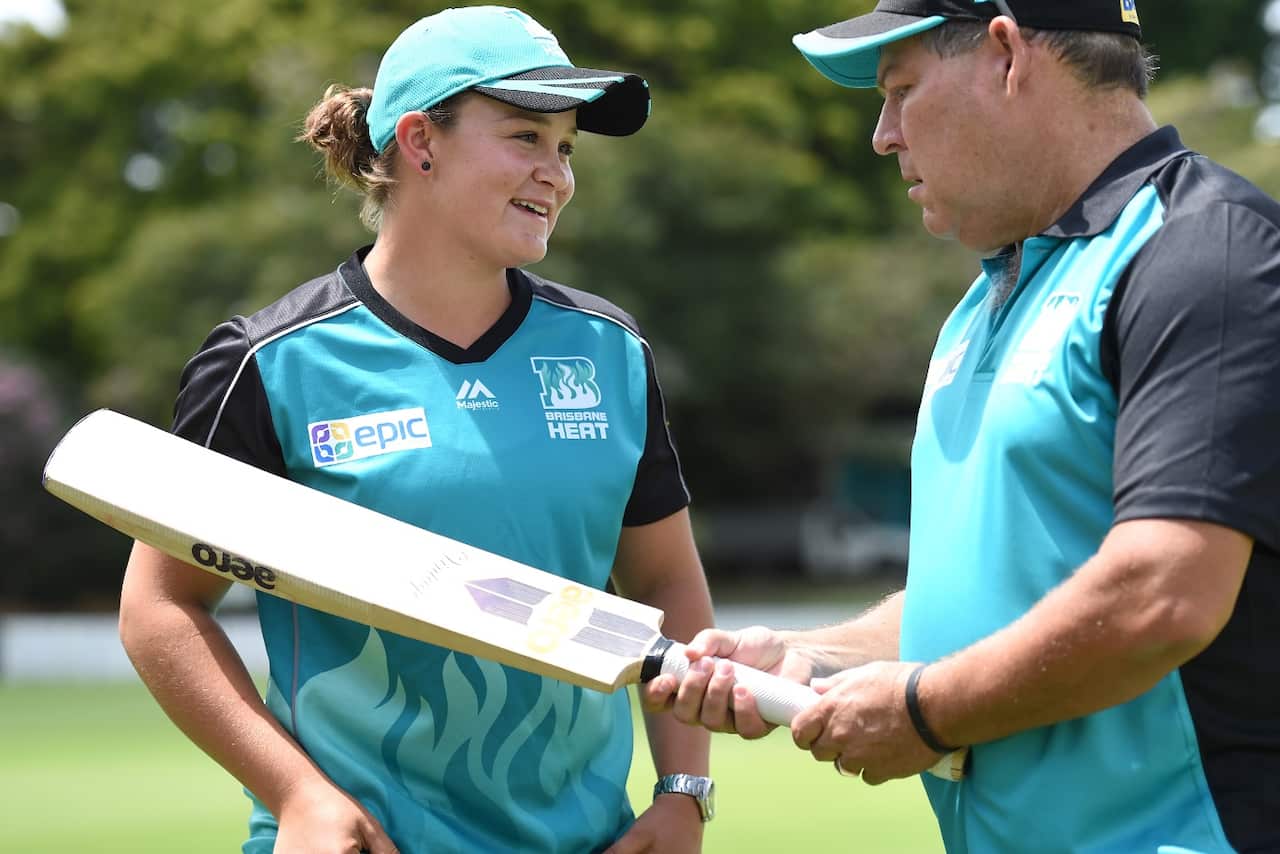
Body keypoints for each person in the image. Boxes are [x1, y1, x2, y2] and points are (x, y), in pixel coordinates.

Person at [645, 1, 1280, 851]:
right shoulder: (985, 303)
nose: (883, 134)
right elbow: (990, 596)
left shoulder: (1205, 252)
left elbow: (1164, 594)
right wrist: (812, 656)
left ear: (1007, 55)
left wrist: (924, 710)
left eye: (901, 90)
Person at [118, 7, 715, 853]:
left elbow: (666, 590)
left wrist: (684, 790)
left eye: (567, 147)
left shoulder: (610, 351)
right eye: (525, 137)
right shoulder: (269, 362)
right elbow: (160, 606)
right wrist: (297, 796)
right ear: (420, 142)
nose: (557, 174)